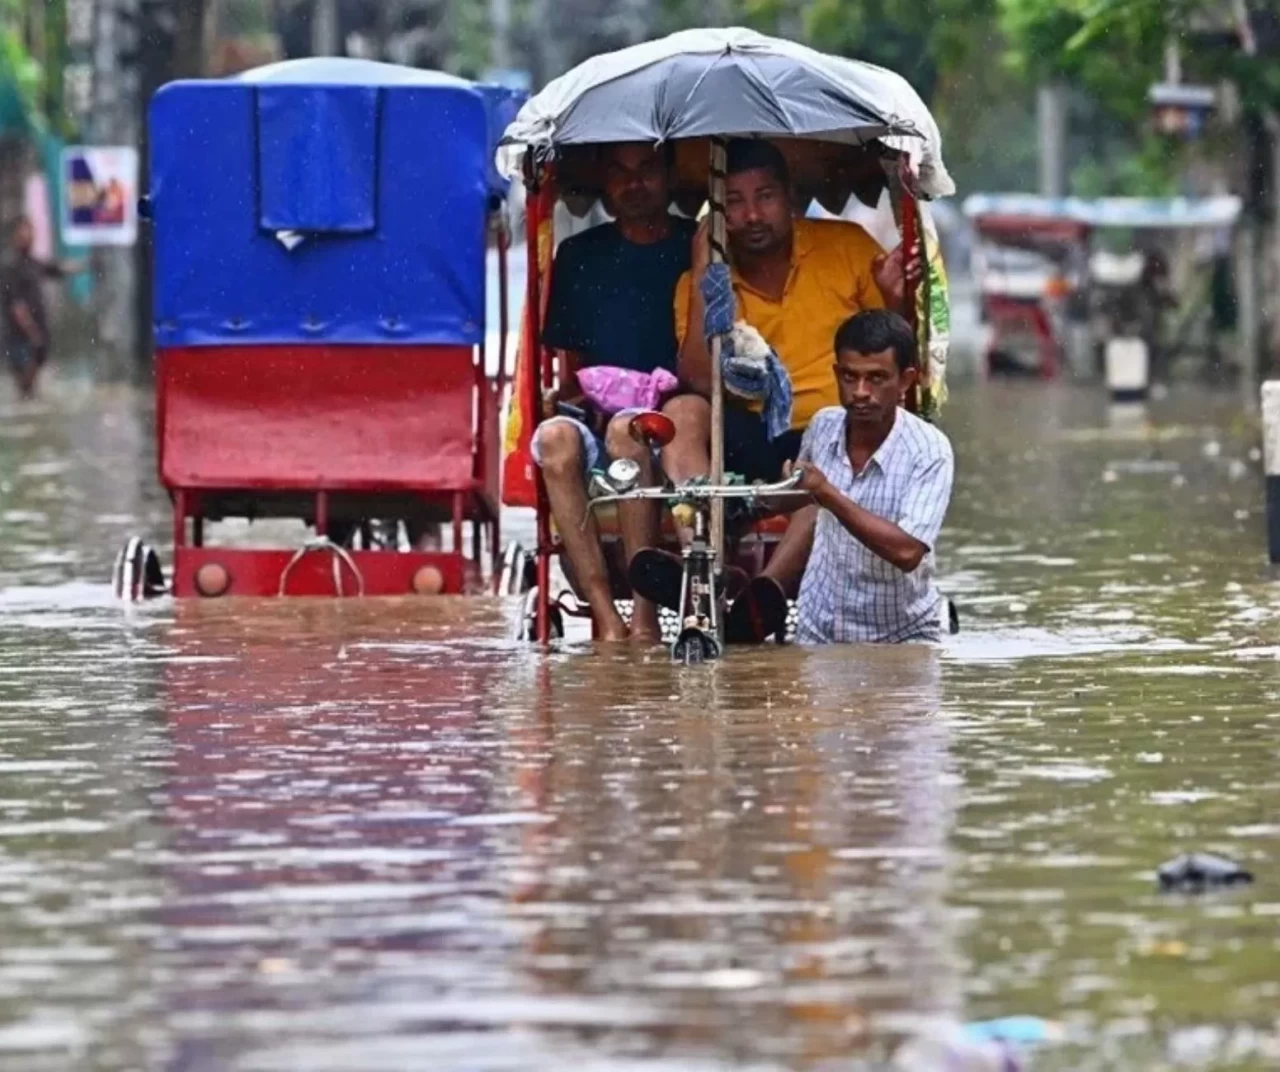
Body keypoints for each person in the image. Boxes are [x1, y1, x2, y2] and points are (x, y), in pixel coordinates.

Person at [660, 138, 919, 488]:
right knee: (681, 412)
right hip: (749, 432)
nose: (752, 216)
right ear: (717, 215)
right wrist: (704, 275)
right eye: (734, 202)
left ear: (790, 197)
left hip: (841, 426)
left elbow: (893, 358)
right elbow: (699, 381)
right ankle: (698, 520)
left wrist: (893, 299)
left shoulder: (847, 246)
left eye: (765, 196)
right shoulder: (701, 280)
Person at [531, 142, 695, 642]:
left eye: (646, 169)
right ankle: (606, 617)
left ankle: (645, 617)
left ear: (669, 176)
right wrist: (565, 402)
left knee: (629, 428)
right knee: (554, 438)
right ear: (604, 181)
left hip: (677, 422)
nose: (634, 184)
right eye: (620, 172)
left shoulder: (696, 246)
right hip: (598, 419)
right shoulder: (579, 255)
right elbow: (572, 368)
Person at [767, 309, 954, 644]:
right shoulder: (823, 426)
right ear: (836, 373)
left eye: (876, 378)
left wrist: (827, 493)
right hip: (818, 628)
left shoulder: (930, 450)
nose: (860, 392)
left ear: (906, 381)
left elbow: (908, 553)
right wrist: (779, 490)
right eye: (850, 377)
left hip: (903, 635)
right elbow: (801, 500)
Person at [1, 216, 82, 399]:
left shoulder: (33, 263)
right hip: (19, 335)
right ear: (14, 236)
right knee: (25, 383)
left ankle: (27, 403)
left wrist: (84, 266)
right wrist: (32, 332)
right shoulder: (10, 266)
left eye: (30, 232)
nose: (29, 236)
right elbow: (16, 305)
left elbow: (56, 269)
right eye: (23, 232)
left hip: (36, 332)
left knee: (30, 387)